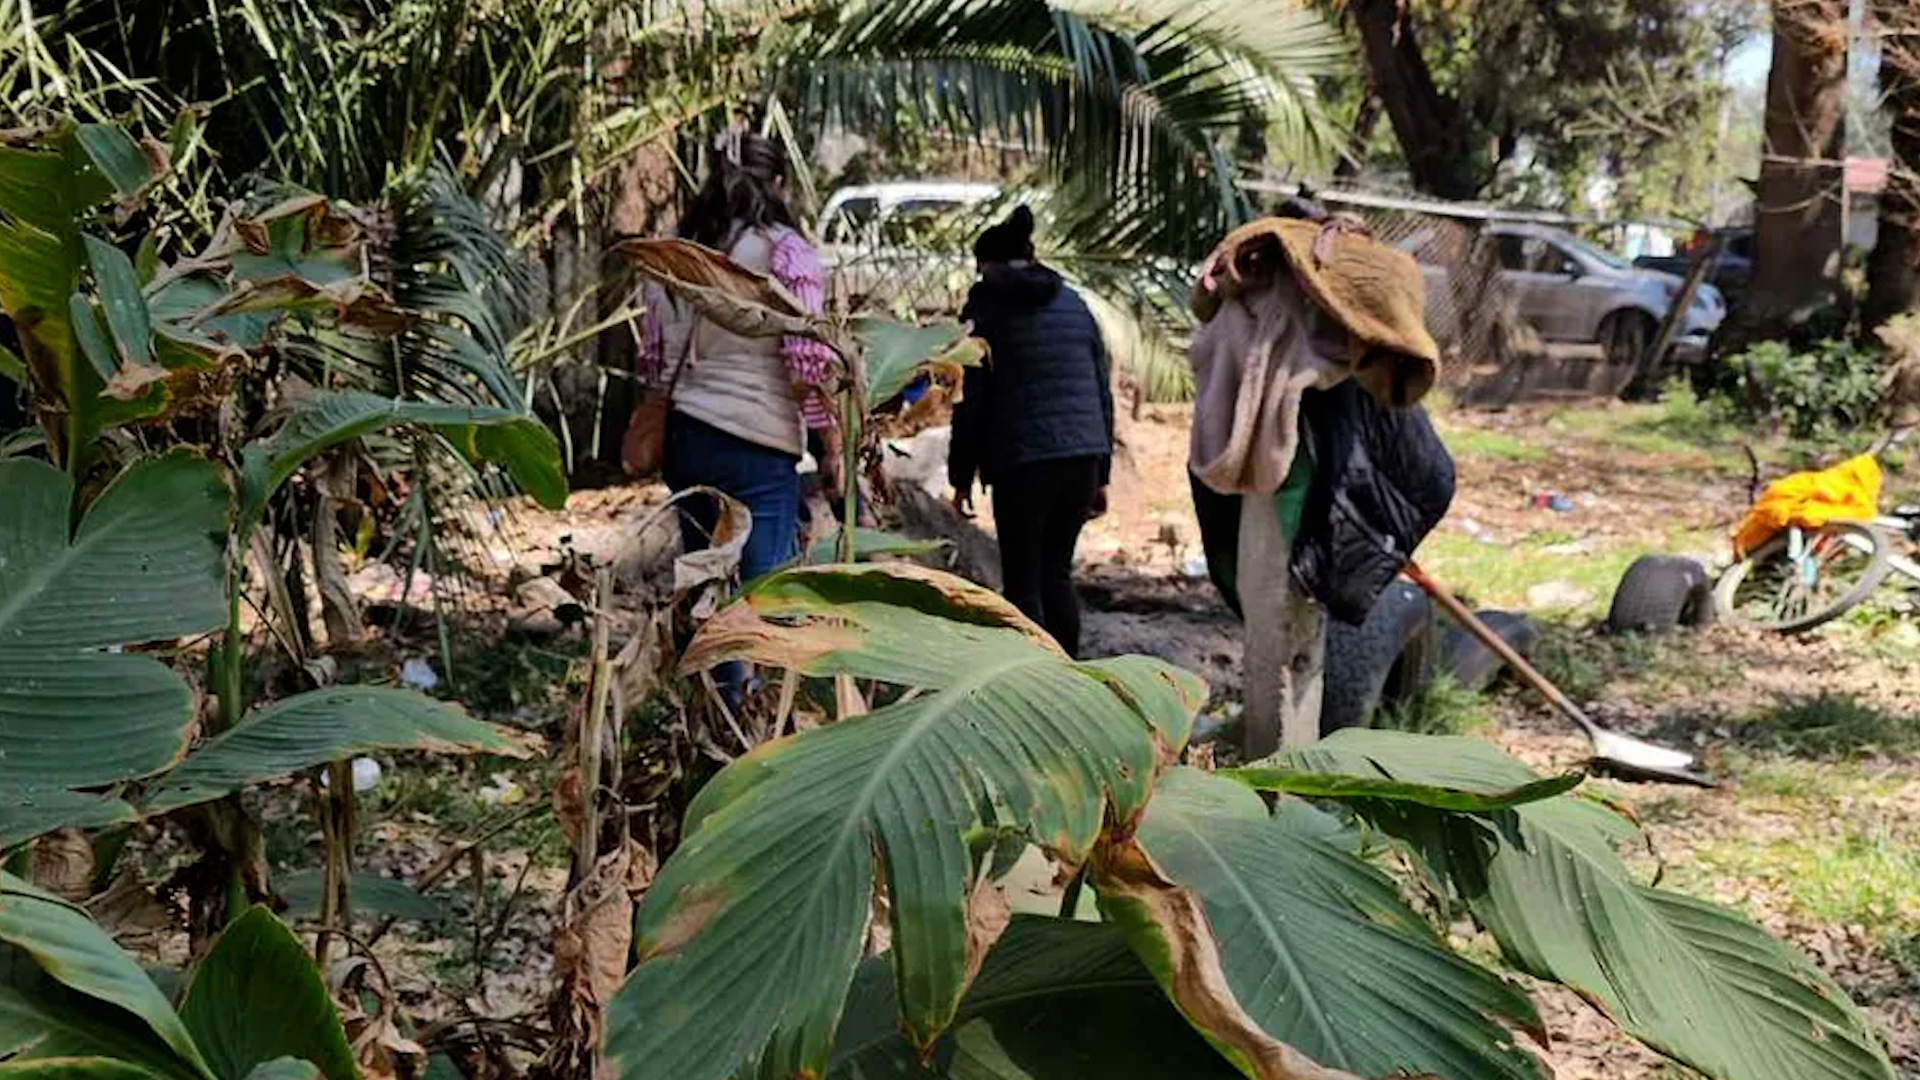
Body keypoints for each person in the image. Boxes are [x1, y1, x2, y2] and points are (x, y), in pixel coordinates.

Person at [636, 131, 843, 590]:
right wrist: (830, 441)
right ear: (779, 183)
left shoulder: (675, 253)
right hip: (756, 441)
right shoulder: (786, 252)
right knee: (760, 592)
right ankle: (753, 665)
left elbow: (652, 361)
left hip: (685, 438)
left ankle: (720, 664)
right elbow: (807, 362)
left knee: (708, 581)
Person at [948, 206, 1113, 657]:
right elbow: (1102, 390)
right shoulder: (1074, 304)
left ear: (987, 264)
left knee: (1022, 579)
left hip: (1023, 459)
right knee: (1057, 573)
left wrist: (960, 474)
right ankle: (1069, 676)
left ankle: (1030, 679)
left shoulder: (986, 309)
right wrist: (1101, 473)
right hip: (1081, 454)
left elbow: (971, 396)